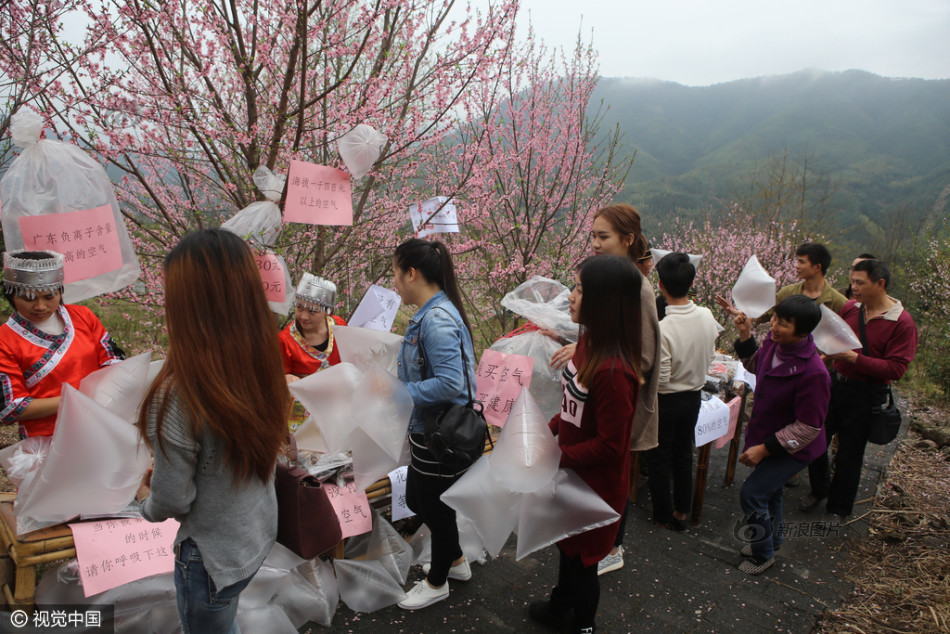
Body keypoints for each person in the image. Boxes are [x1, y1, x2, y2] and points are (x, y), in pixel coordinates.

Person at [135, 229, 291, 633]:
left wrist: (144, 502)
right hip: (253, 534)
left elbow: (172, 499)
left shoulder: (177, 393)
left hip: (210, 558)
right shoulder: (261, 364)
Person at [530, 254, 642, 634]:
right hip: (573, 472)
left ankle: (583, 622)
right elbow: (573, 405)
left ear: (605, 301)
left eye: (579, 289)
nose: (571, 297)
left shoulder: (614, 371)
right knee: (566, 545)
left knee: (585, 561)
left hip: (596, 485)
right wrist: (551, 427)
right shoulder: (588, 341)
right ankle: (560, 605)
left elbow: (612, 445)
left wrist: (557, 456)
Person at [551, 203, 659, 575]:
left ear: (628, 240)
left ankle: (610, 547)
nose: (595, 243)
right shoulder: (603, 286)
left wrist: (594, 361)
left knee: (601, 505)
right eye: (592, 235)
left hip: (609, 415)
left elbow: (639, 356)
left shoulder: (633, 290)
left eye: (603, 236)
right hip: (585, 427)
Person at [392, 238, 478, 611]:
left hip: (440, 433)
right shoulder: (435, 311)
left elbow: (450, 383)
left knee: (433, 506)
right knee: (420, 499)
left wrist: (398, 392)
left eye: (396, 273)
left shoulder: (436, 320)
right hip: (432, 429)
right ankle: (456, 562)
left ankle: (437, 580)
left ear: (411, 273)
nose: (394, 281)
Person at [801, 259, 917, 517]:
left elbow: (896, 369)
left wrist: (855, 359)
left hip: (865, 395)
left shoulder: (902, 323)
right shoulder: (852, 309)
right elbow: (833, 342)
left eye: (860, 283)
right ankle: (819, 489)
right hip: (835, 385)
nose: (853, 287)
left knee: (849, 454)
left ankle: (838, 508)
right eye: (852, 281)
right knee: (815, 438)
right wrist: (821, 362)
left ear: (880, 283)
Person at [733, 295, 830, 574]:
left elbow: (808, 427)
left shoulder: (814, 373)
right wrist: (744, 335)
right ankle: (773, 539)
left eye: (783, 323)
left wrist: (764, 449)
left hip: (795, 447)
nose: (774, 326)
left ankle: (762, 555)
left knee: (752, 494)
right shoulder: (773, 345)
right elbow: (755, 366)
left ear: (803, 332)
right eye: (775, 318)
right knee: (771, 493)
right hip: (769, 434)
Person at [0, 250, 125, 438]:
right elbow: (12, 407)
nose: (40, 306)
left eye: (49, 297)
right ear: (11, 296)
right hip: (46, 438)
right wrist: (77, 400)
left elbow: (113, 360)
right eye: (28, 299)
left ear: (60, 292)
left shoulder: (83, 316)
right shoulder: (4, 339)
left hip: (99, 423)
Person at [645, 253, 720, 532]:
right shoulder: (706, 315)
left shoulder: (664, 329)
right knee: (684, 454)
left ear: (660, 285)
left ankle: (662, 514)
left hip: (667, 401)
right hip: (693, 398)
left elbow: (662, 379)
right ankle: (681, 512)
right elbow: (710, 354)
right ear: (691, 283)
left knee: (659, 456)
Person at [716, 242, 847, 325]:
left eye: (802, 262)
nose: (797, 266)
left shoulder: (838, 302)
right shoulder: (788, 292)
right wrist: (737, 312)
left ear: (817, 267)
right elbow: (766, 314)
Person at [279, 273, 347, 383]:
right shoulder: (285, 340)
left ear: (328, 312)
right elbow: (278, 375)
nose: (304, 316)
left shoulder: (339, 326)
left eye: (312, 311)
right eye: (299, 308)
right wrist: (286, 378)